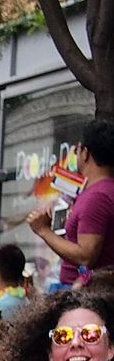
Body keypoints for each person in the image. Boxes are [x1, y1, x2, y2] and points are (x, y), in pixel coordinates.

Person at [30, 119, 114, 286]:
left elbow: (86, 255)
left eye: (76, 150)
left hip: (84, 294)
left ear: (86, 153)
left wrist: (43, 230)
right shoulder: (97, 192)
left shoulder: (97, 197)